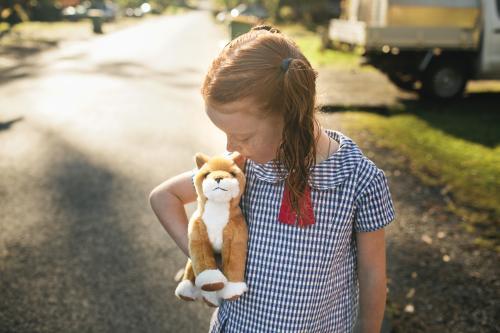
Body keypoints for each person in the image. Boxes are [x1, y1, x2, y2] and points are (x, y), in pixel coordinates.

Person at [149, 25, 396, 333]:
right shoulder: (243, 168)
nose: (229, 148)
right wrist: (204, 263)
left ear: (290, 117)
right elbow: (163, 197)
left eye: (242, 136)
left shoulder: (358, 180)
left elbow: (373, 273)